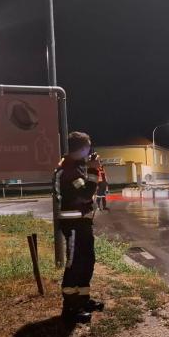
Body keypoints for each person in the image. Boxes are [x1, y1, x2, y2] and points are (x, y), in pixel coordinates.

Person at [53, 131, 103, 323]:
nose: (90, 150)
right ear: (82, 148)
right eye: (88, 147)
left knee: (87, 261)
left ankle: (83, 300)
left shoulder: (75, 166)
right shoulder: (67, 170)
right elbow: (84, 194)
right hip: (72, 224)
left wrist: (91, 169)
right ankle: (70, 308)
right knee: (74, 264)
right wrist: (92, 171)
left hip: (82, 223)